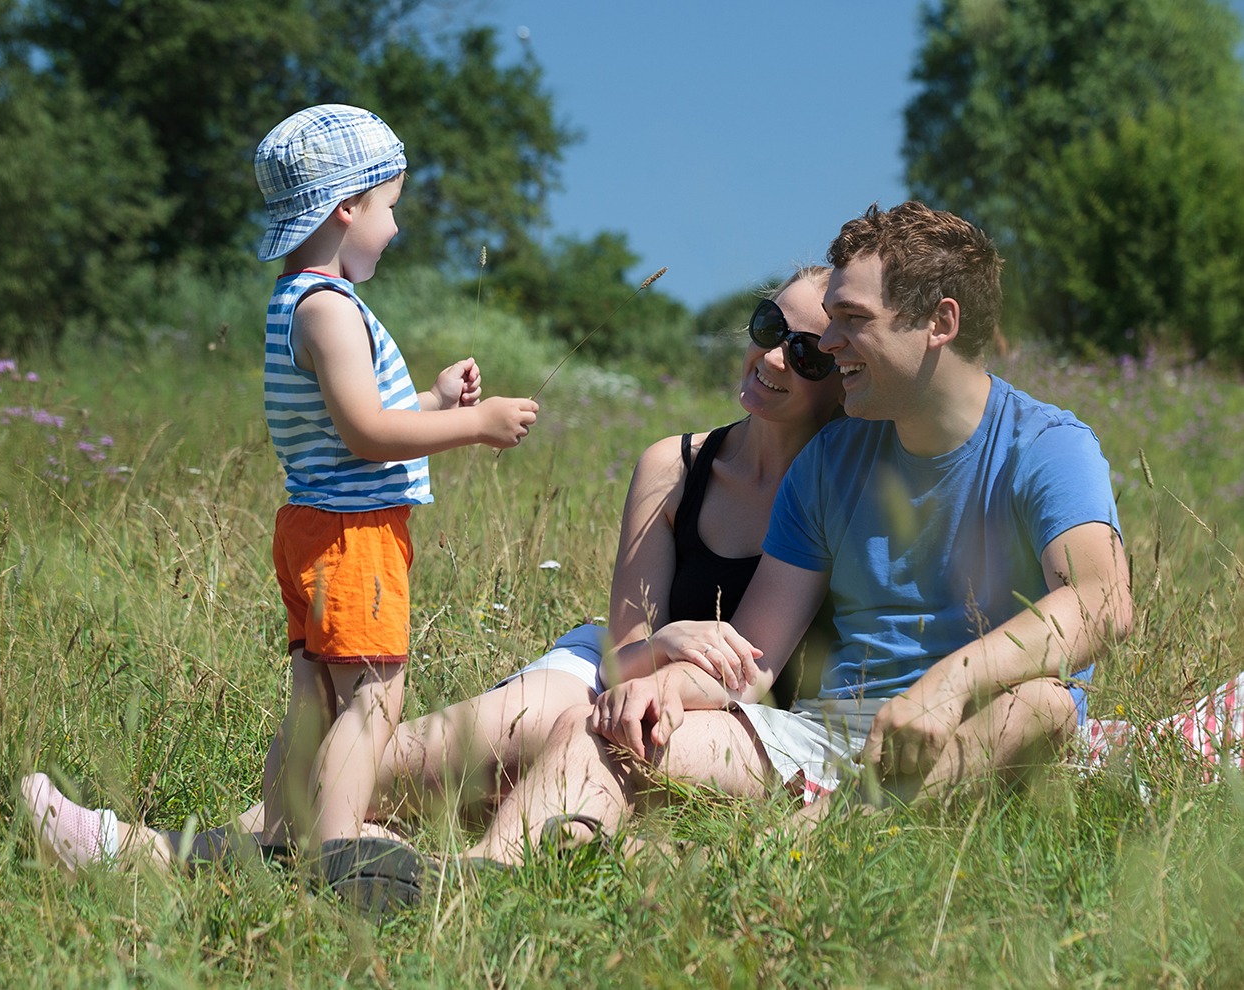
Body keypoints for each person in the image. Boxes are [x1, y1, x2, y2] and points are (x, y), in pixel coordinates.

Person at [20, 266, 844, 880]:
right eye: (768, 325)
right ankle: (159, 850)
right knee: (438, 746)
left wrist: (671, 670)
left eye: (806, 356)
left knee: (566, 735)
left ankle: (360, 869)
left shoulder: (838, 488)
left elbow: (759, 676)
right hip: (621, 664)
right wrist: (662, 641)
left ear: (837, 381)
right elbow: (625, 650)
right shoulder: (675, 463)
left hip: (728, 720)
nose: (772, 358)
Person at [463, 201, 1135, 864]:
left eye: (850, 321)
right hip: (826, 739)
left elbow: (1100, 602)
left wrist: (945, 687)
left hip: (978, 732)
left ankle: (808, 842)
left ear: (939, 322)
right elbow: (752, 660)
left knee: (1042, 704)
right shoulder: (829, 463)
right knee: (609, 732)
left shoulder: (1045, 446)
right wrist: (666, 691)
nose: (828, 342)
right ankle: (481, 878)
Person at [248, 104, 543, 861]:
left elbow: (362, 418)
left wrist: (437, 402)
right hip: (353, 536)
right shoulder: (331, 311)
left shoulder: (297, 303)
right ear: (347, 207)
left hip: (313, 525)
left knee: (314, 698)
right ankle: (341, 849)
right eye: (388, 209)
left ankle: (280, 837)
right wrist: (474, 427)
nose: (395, 228)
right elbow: (368, 435)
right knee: (375, 698)